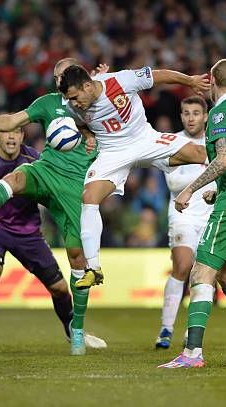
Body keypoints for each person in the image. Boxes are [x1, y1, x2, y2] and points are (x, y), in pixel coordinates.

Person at [0, 58, 108, 355]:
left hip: (74, 188)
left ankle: (77, 331)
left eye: (65, 75)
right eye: (57, 76)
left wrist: (93, 127)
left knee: (76, 258)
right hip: (46, 173)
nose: (60, 81)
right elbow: (10, 120)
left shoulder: (95, 104)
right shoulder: (47, 104)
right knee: (19, 177)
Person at [56, 65, 210, 289]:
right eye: (70, 99)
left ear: (88, 86)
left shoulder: (120, 81)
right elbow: (80, 123)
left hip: (145, 140)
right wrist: (88, 135)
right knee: (89, 197)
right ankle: (93, 268)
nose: (74, 103)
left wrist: (191, 81)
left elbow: (159, 76)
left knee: (202, 154)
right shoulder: (73, 106)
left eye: (76, 97)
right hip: (112, 153)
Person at [159, 58, 226, 368]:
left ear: (213, 81)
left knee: (201, 272)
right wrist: (218, 190)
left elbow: (225, 159)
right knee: (225, 272)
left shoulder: (221, 111)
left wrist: (189, 189)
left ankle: (192, 352)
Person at [156, 95, 215, 349]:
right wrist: (206, 172)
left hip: (212, 215)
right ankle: (166, 329)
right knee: (182, 265)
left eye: (195, 113)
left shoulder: (216, 142)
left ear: (205, 117)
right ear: (181, 116)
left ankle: (192, 332)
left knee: (205, 275)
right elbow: (172, 182)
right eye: (186, 113)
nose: (191, 117)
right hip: (183, 214)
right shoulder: (172, 143)